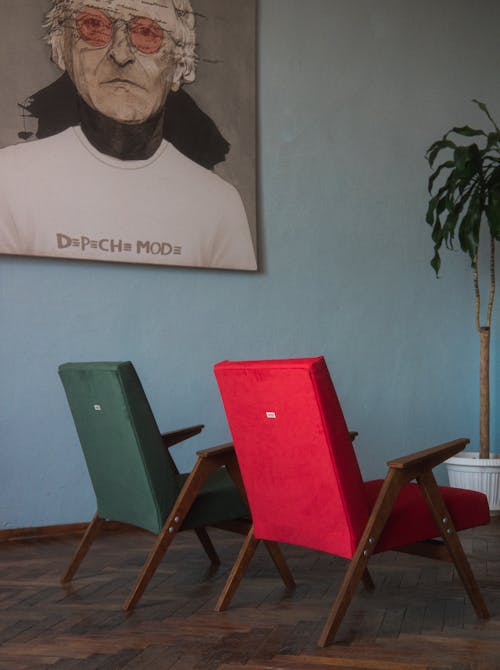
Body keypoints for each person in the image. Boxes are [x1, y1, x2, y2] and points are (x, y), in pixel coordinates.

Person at [0, 0, 257, 270]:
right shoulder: (11, 177)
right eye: (94, 25)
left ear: (183, 66)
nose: (121, 54)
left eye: (147, 33)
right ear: (61, 50)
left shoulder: (218, 205)